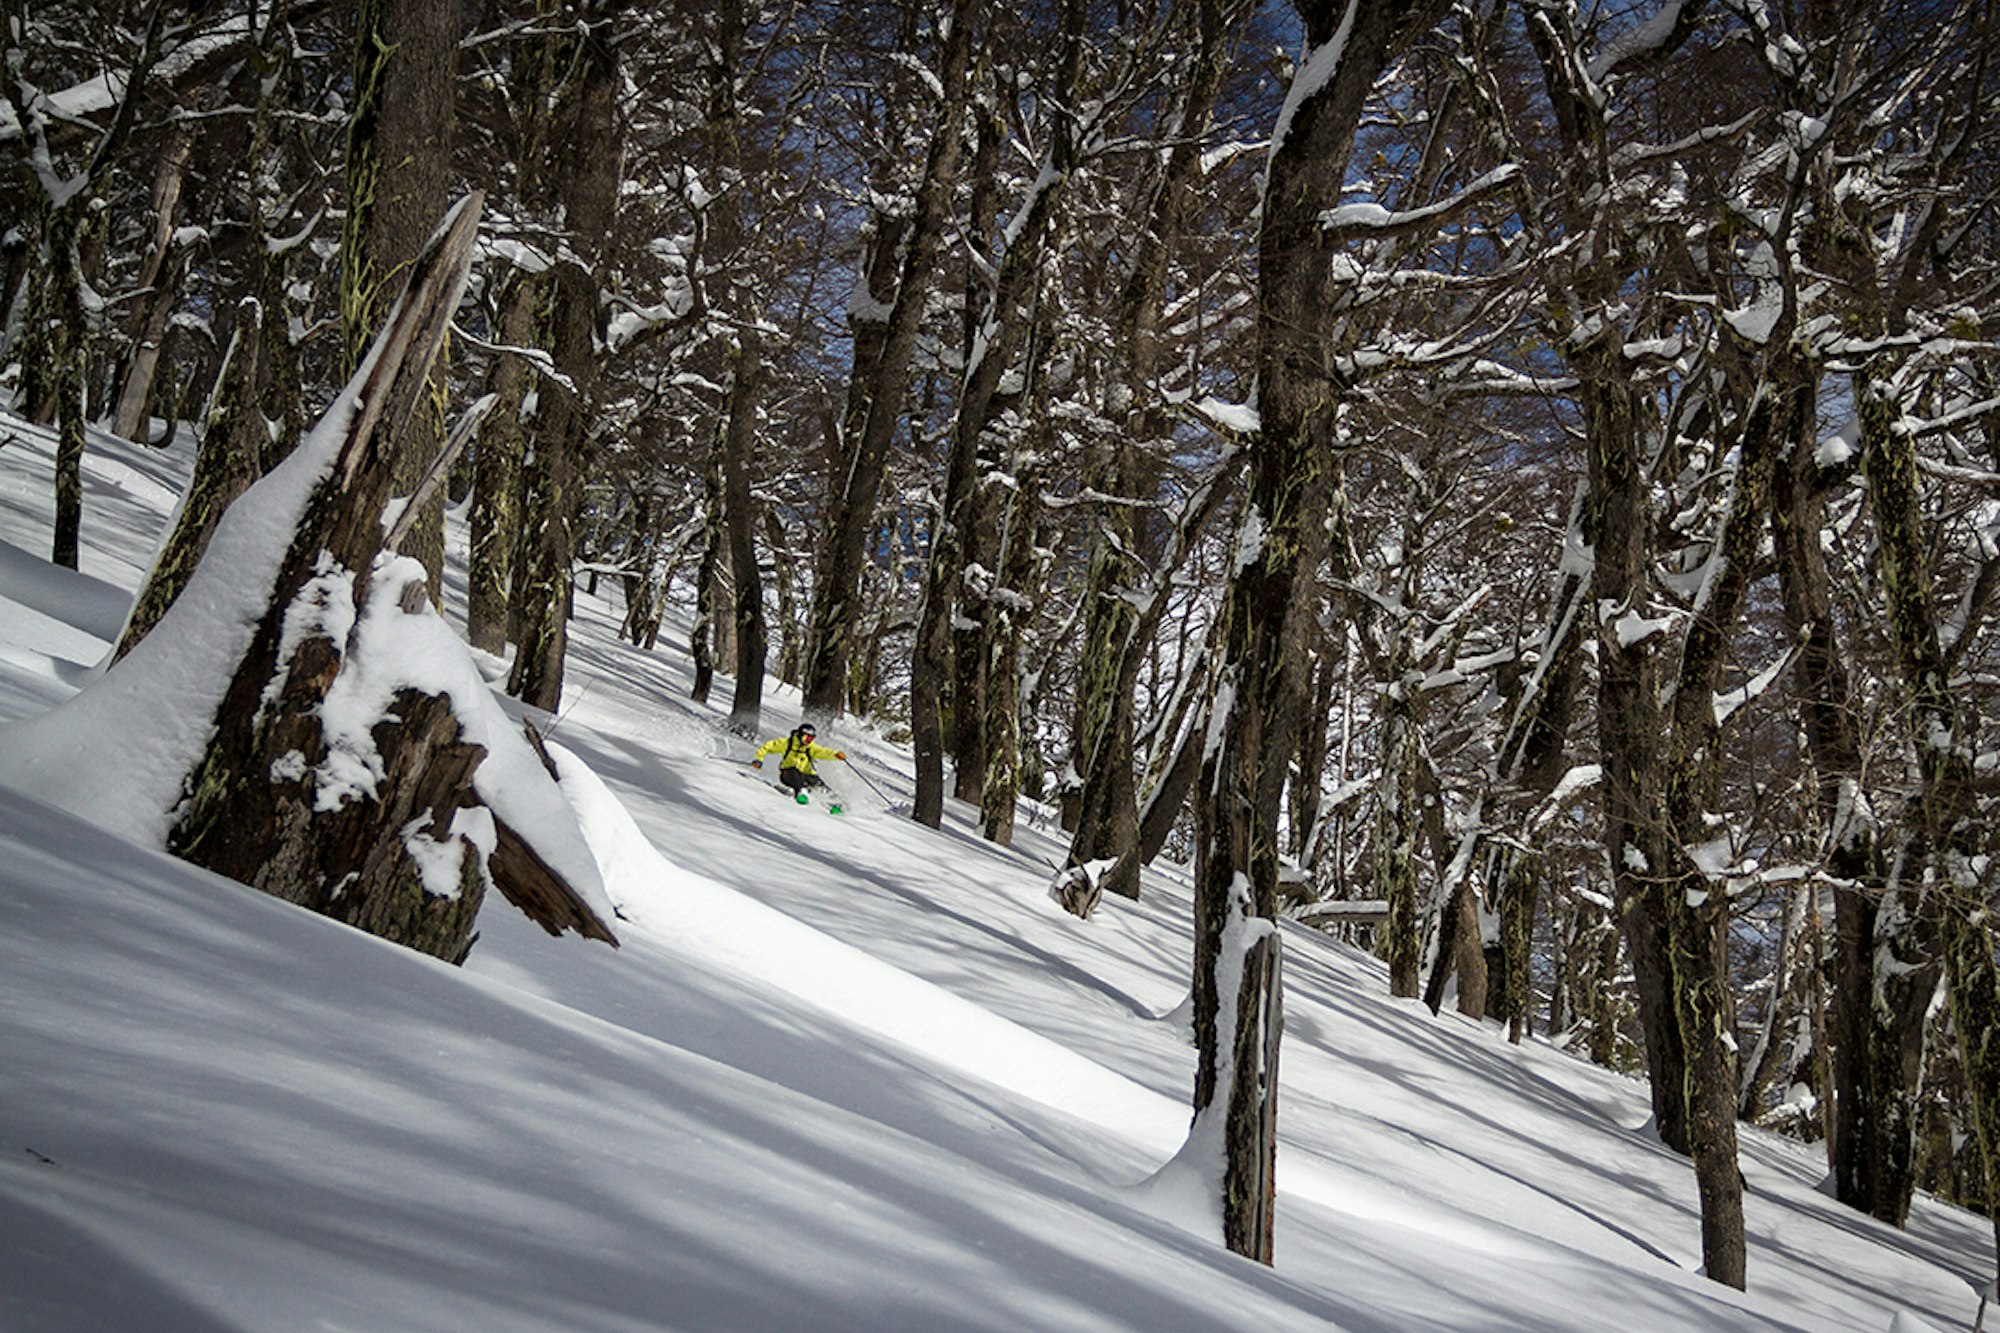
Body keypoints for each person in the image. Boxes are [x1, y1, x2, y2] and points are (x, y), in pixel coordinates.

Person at [751, 723, 847, 803]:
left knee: (817, 783)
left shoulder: (811, 748)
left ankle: (836, 802)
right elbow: (767, 747)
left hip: (806, 775)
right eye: (806, 738)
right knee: (794, 772)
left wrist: (835, 755)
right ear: (800, 735)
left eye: (811, 739)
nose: (808, 741)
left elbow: (823, 752)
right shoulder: (787, 743)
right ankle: (801, 793)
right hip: (787, 775)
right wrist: (759, 759)